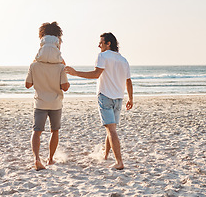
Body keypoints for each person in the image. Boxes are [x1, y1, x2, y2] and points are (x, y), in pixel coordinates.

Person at [65, 32, 133, 170]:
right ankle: (106, 155)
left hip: (106, 96)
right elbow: (128, 81)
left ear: (109, 44)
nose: (98, 45)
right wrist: (131, 98)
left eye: (101, 42)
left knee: (112, 130)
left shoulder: (102, 56)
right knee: (111, 128)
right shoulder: (123, 60)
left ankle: (119, 162)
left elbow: (96, 74)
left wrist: (75, 73)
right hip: (119, 98)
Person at [26, 22, 70, 171]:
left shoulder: (34, 65)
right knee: (54, 131)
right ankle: (50, 159)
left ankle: (37, 159)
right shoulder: (60, 67)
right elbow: (65, 87)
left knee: (36, 131)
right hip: (56, 103)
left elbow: (28, 84)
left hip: (40, 103)